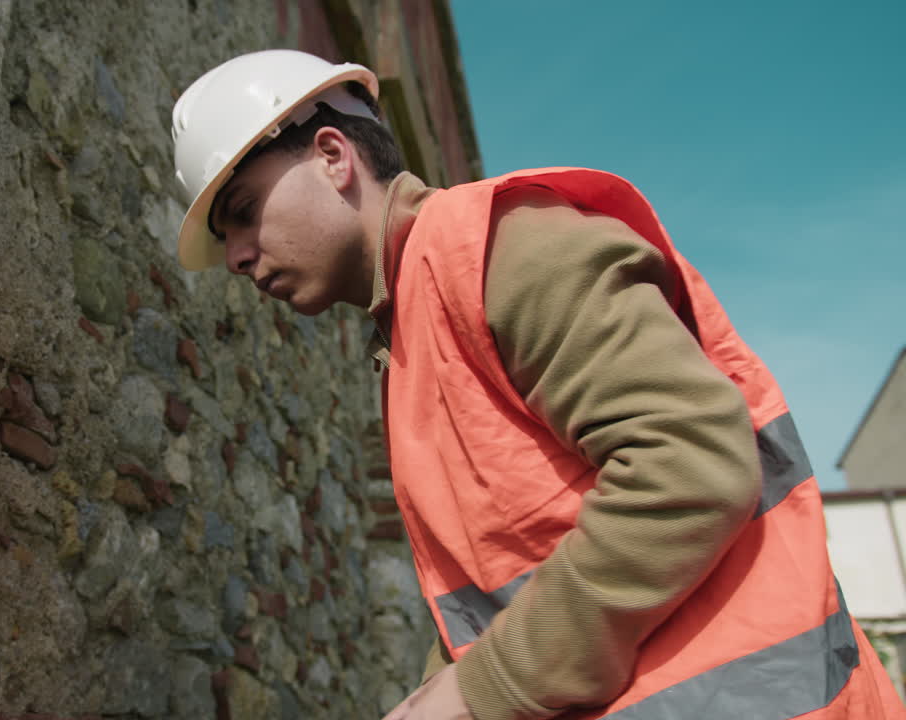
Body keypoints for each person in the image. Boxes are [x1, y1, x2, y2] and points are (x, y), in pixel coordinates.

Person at [169, 49, 905, 720]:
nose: (236, 255)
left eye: (243, 213)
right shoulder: (411, 334)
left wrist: (479, 691)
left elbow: (691, 464)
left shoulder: (498, 249)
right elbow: (489, 609)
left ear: (333, 156)